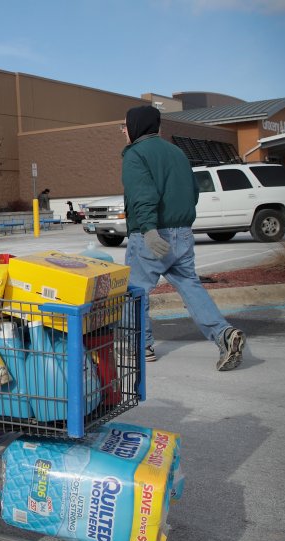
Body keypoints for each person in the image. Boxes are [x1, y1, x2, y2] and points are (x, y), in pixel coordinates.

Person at [120, 105, 246, 370]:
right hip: (183, 234)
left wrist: (149, 230)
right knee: (190, 286)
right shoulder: (177, 152)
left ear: (135, 126)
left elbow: (142, 195)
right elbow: (193, 192)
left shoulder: (135, 154)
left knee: (134, 291)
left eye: (124, 125)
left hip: (151, 235)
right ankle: (224, 334)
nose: (123, 131)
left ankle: (141, 347)